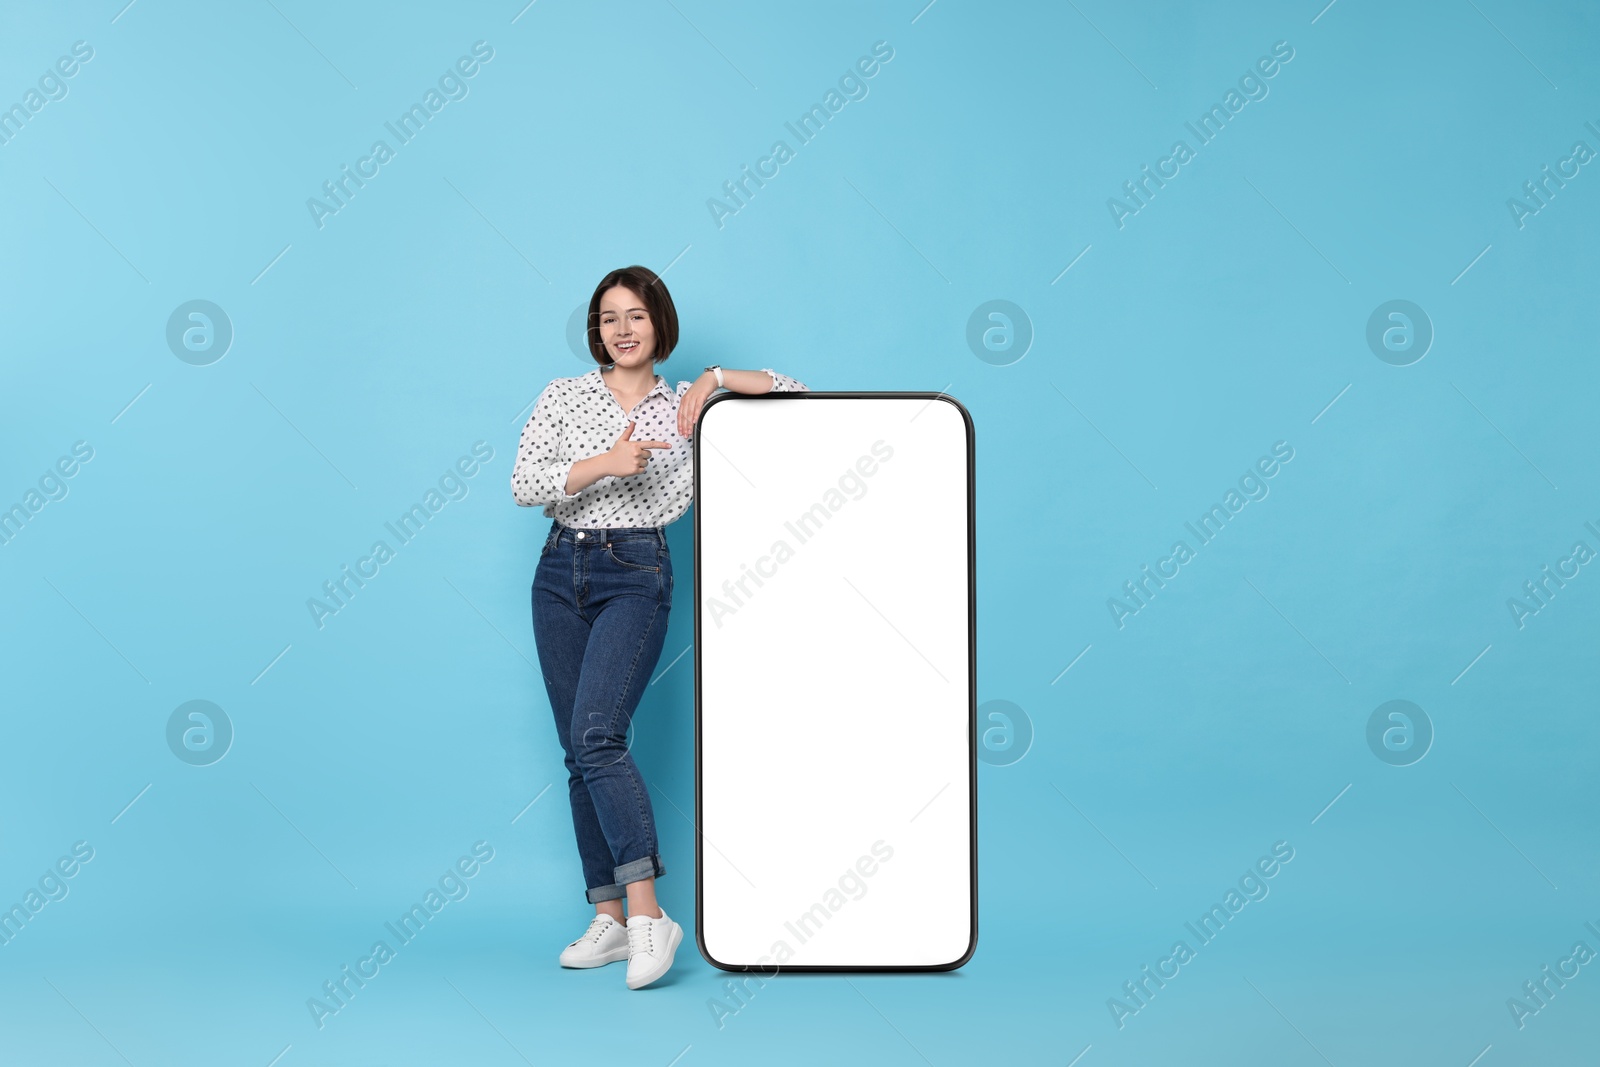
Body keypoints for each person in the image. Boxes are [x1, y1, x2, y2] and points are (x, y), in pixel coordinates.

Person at [511, 264, 807, 989]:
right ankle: (609, 917)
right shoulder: (565, 395)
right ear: (596, 330)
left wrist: (714, 379)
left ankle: (649, 915)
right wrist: (603, 463)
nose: (622, 328)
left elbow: (798, 396)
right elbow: (525, 482)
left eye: (636, 315)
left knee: (596, 735)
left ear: (658, 324)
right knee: (576, 751)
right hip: (558, 572)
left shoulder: (690, 410)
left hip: (637, 570)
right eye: (609, 317)